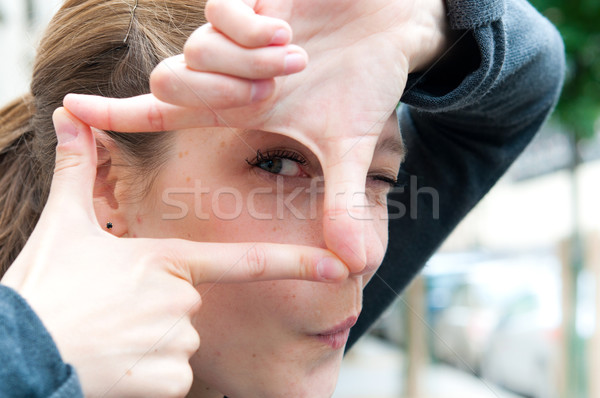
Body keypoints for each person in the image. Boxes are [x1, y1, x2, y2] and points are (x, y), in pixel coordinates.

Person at [0, 0, 565, 397]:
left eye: (382, 177)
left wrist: (421, 21)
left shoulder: (255, 346)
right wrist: (27, 357)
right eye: (281, 165)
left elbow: (528, 83)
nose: (362, 253)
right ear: (107, 183)